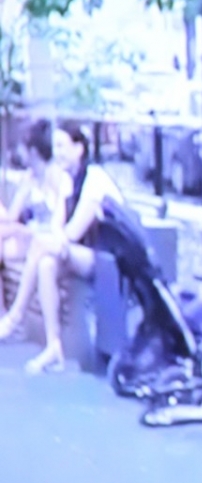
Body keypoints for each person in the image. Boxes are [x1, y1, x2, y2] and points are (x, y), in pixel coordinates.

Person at [0, 121, 123, 373]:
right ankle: (53, 346)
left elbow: (73, 232)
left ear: (79, 148)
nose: (57, 153)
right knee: (46, 264)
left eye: (62, 146)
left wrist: (53, 240)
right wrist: (54, 240)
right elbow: (59, 224)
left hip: (106, 257)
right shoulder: (68, 179)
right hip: (78, 252)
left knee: (41, 244)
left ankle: (14, 316)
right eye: (55, 146)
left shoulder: (94, 180)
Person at [0, 120, 74, 353]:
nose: (19, 153)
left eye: (22, 147)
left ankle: (11, 318)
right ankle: (5, 314)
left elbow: (57, 224)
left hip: (47, 239)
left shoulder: (57, 177)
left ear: (32, 151)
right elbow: (12, 217)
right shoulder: (30, 178)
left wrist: (20, 230)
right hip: (28, 236)